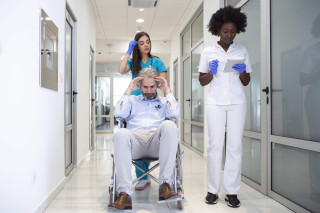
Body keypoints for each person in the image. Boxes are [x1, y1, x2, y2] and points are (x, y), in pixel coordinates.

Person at [198, 6, 251, 208]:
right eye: (225, 31)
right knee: (215, 146)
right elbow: (202, 81)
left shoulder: (242, 51)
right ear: (218, 30)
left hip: (237, 103)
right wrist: (210, 73)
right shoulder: (208, 52)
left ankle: (232, 191)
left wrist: (243, 70)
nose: (229, 35)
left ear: (237, 30)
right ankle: (212, 190)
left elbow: (246, 81)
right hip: (215, 104)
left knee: (235, 146)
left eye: (232, 31)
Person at [108, 68, 180, 210]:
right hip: (135, 142)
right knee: (121, 133)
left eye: (152, 87)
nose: (148, 91)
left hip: (156, 142)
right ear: (140, 85)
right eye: (145, 87)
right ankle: (124, 195)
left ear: (157, 85)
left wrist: (167, 90)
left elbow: (175, 114)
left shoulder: (165, 101)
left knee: (169, 125)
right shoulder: (132, 101)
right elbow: (118, 113)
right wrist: (128, 90)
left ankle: (165, 186)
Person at [118, 32, 168, 190]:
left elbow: (163, 81)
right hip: (135, 102)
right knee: (136, 131)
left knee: (150, 129)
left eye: (148, 42)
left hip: (151, 100)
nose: (146, 45)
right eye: (141, 43)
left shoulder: (157, 61)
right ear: (136, 46)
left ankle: (145, 175)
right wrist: (128, 52)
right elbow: (121, 70)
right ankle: (143, 176)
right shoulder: (134, 62)